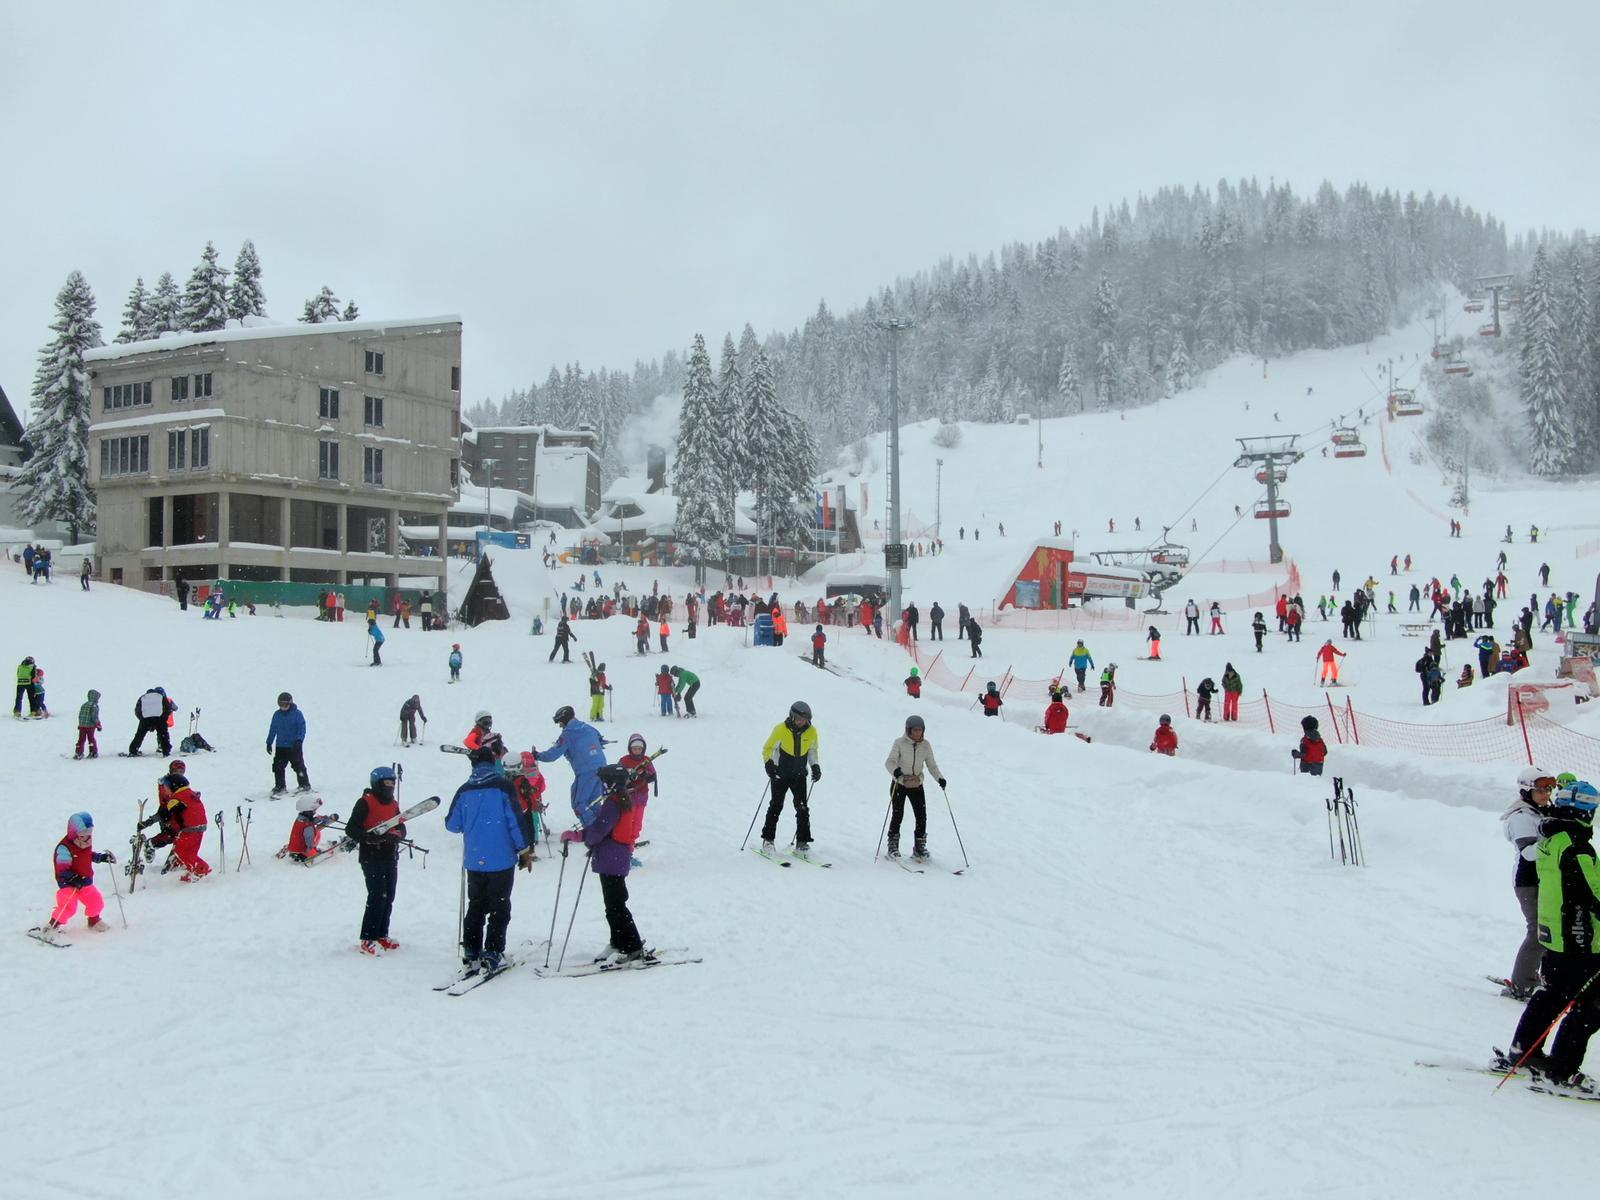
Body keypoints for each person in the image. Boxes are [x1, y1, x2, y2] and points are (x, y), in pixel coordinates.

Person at [1500, 780, 1600, 1088]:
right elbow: (1593, 893)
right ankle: (1562, 1067)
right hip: (1579, 938)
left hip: (1555, 933)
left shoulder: (1550, 838)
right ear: (1584, 812)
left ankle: (1523, 1050)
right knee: (1592, 1004)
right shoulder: (1576, 846)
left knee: (1552, 995)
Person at [445, 738, 534, 974]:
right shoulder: (503, 786)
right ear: (492, 762)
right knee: (499, 907)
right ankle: (493, 952)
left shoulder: (464, 790)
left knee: (476, 906)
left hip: (475, 859)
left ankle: (471, 951)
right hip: (501, 858)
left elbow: (452, 825)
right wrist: (524, 849)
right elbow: (515, 821)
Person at [579, 759, 653, 963]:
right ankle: (618, 941)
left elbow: (599, 830)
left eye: (603, 782)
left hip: (612, 859)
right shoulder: (619, 800)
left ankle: (632, 946)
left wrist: (580, 837)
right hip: (612, 859)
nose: (601, 787)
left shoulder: (613, 804)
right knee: (613, 904)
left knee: (616, 905)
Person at [1500, 768, 1556, 1001]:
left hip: (1544, 880)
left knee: (1550, 931)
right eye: (1540, 790)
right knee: (1538, 932)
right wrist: (1554, 837)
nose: (1546, 794)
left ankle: (1542, 977)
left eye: (1549, 789)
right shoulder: (1521, 817)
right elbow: (1530, 854)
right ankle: (1522, 984)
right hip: (1528, 882)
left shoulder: (1538, 811)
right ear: (1526, 791)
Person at [347, 765, 409, 955]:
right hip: (370, 856)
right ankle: (368, 937)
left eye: (392, 782)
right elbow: (351, 829)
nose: (390, 786)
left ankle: (382, 933)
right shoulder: (365, 802)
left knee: (388, 895)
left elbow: (402, 828)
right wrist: (371, 838)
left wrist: (396, 835)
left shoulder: (393, 804)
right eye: (387, 783)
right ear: (377, 783)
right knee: (377, 895)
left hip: (390, 855)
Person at [37, 812, 116, 942]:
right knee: (69, 906)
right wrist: (74, 879)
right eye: (83, 835)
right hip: (68, 883)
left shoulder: (84, 843)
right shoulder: (64, 848)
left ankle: (94, 921)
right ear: (74, 833)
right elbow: (62, 869)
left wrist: (101, 858)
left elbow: (87, 855)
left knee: (96, 901)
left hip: (84, 882)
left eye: (90, 834)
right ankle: (52, 926)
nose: (88, 838)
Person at [760, 701, 820, 854]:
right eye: (800, 719)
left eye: (805, 720)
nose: (803, 722)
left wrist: (815, 766)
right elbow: (768, 748)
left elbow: (812, 750)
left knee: (802, 808)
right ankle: (768, 840)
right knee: (776, 806)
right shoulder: (780, 729)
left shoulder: (812, 731)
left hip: (799, 775)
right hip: (781, 774)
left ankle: (802, 843)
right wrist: (769, 764)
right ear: (792, 717)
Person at [884, 715, 945, 860]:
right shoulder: (899, 743)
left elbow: (931, 765)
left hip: (916, 784)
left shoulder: (926, 745)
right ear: (908, 730)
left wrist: (940, 778)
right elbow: (889, 762)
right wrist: (895, 771)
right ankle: (892, 845)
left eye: (920, 730)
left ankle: (919, 847)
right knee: (898, 814)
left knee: (921, 815)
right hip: (900, 783)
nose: (918, 733)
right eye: (915, 730)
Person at [536, 705, 608, 827]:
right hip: (602, 768)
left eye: (560, 722)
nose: (560, 726)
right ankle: (603, 829)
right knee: (593, 802)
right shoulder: (588, 727)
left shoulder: (568, 734)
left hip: (586, 772)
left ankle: (593, 832)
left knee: (579, 804)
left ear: (564, 719)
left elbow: (552, 755)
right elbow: (600, 739)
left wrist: (537, 755)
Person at [160, 770, 211, 880]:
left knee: (181, 851)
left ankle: (202, 869)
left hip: (189, 828)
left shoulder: (176, 798)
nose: (165, 790)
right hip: (200, 826)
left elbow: (171, 816)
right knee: (191, 851)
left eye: (166, 788)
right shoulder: (190, 793)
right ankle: (192, 871)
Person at [267, 691, 312, 795]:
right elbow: (273, 728)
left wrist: (299, 740)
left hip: (294, 746)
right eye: (280, 704)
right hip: (281, 746)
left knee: (298, 765)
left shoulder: (297, 714)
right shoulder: (277, 715)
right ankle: (280, 786)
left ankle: (304, 784)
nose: (283, 707)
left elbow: (302, 728)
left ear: (290, 703)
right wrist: (269, 742)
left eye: (285, 704)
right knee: (278, 766)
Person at [284, 793, 338, 863]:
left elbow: (312, 821)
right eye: (314, 810)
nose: (315, 811)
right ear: (308, 810)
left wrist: (325, 819)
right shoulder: (308, 826)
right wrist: (314, 852)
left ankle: (295, 850)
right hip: (301, 852)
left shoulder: (302, 818)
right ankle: (319, 854)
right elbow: (309, 841)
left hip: (296, 848)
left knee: (315, 831)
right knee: (316, 832)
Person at [128, 685, 175, 756]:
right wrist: (163, 719)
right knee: (163, 735)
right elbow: (168, 708)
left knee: (139, 735)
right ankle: (165, 751)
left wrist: (142, 719)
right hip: (159, 718)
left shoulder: (143, 697)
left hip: (145, 719)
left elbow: (137, 710)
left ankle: (133, 750)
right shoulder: (161, 697)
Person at [73, 688, 102, 759]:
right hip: (90, 726)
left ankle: (79, 752)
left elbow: (80, 715)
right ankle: (93, 752)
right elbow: (94, 717)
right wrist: (98, 725)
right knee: (91, 739)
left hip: (82, 726)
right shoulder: (94, 706)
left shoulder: (84, 705)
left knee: (81, 739)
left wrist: (80, 724)